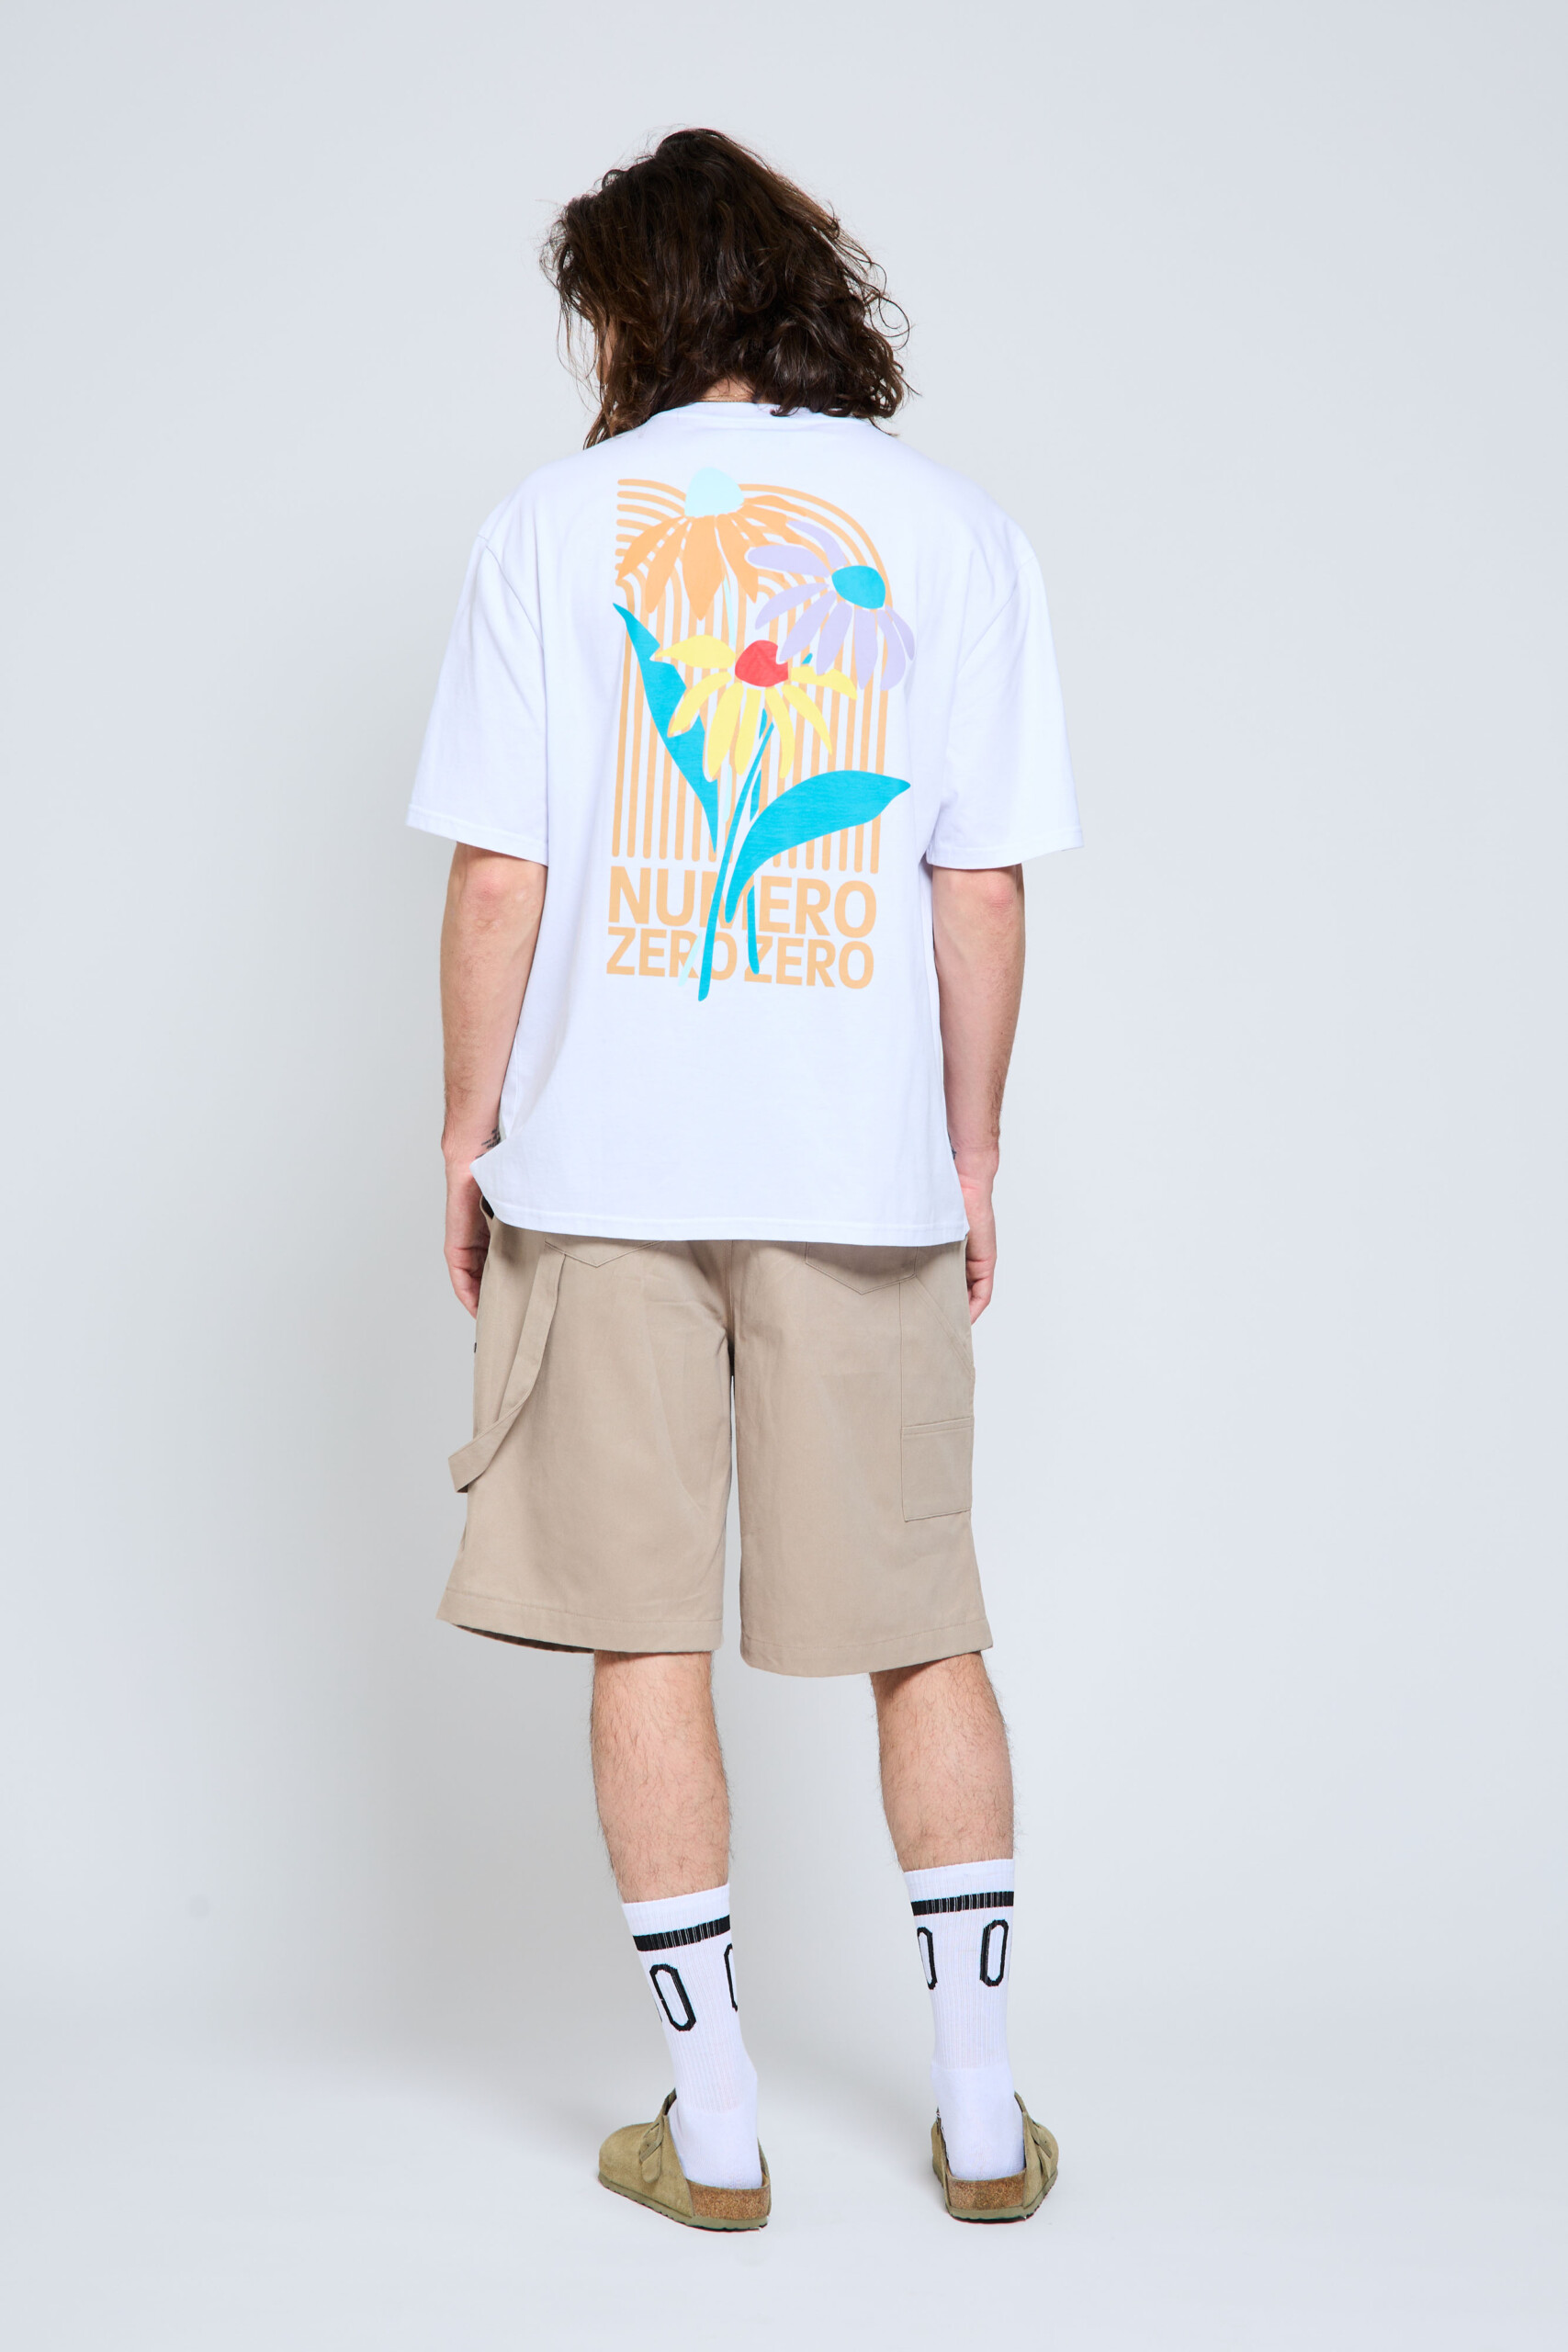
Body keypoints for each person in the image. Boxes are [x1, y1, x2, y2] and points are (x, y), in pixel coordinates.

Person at [409, 128, 1080, 2230]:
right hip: (855, 1175)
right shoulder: (957, 531)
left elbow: (499, 874)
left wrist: (466, 1128)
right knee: (919, 1629)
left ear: (635, 304)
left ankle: (710, 2129)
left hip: (603, 1164)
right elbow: (977, 890)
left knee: (642, 1632)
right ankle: (982, 2114)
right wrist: (969, 1145)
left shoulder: (546, 529)